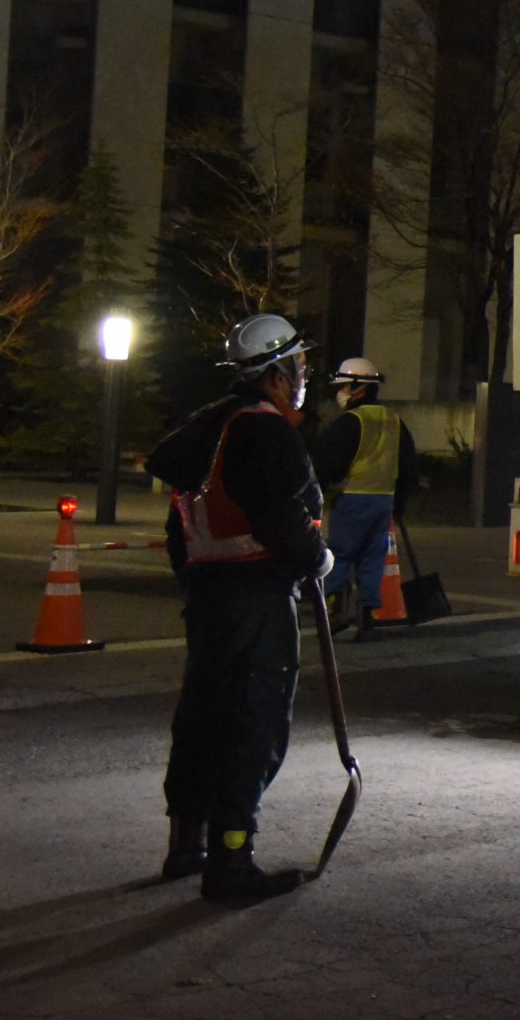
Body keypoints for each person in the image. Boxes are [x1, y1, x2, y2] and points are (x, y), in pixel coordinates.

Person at [147, 313, 331, 903]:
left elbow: (181, 531)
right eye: (299, 365)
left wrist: (198, 579)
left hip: (209, 597)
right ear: (276, 373)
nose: (305, 375)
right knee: (252, 722)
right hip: (256, 597)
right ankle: (231, 863)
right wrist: (316, 559)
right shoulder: (266, 432)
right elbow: (284, 518)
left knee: (202, 716)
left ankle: (187, 844)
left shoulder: (207, 429)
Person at [311, 356, 420, 640]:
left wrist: (322, 490)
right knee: (373, 558)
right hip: (384, 502)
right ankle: (367, 617)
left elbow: (325, 461)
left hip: (353, 499)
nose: (342, 392)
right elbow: (409, 468)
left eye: (345, 386)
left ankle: (336, 609)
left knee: (341, 554)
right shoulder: (396, 422)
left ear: (359, 389)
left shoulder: (350, 422)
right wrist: (400, 506)